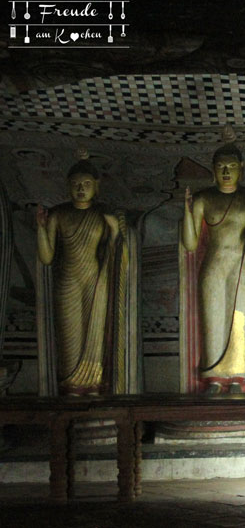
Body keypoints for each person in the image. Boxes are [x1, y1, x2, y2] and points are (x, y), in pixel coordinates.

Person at [181, 128, 245, 394]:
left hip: (244, 266)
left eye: (231, 166)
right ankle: (213, 377)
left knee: (240, 319)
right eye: (221, 167)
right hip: (214, 265)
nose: (226, 172)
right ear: (213, 169)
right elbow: (189, 244)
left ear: (241, 169)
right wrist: (188, 213)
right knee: (213, 320)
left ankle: (236, 378)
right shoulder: (203, 198)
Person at [36, 150, 132, 395]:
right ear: (68, 186)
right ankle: (70, 386)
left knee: (95, 336)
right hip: (67, 281)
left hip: (94, 280)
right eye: (76, 184)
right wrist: (40, 228)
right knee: (69, 338)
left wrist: (114, 229)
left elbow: (116, 249)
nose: (81, 188)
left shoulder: (101, 213)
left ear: (96, 186)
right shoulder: (58, 214)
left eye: (86, 184)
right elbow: (47, 257)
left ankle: (93, 385)